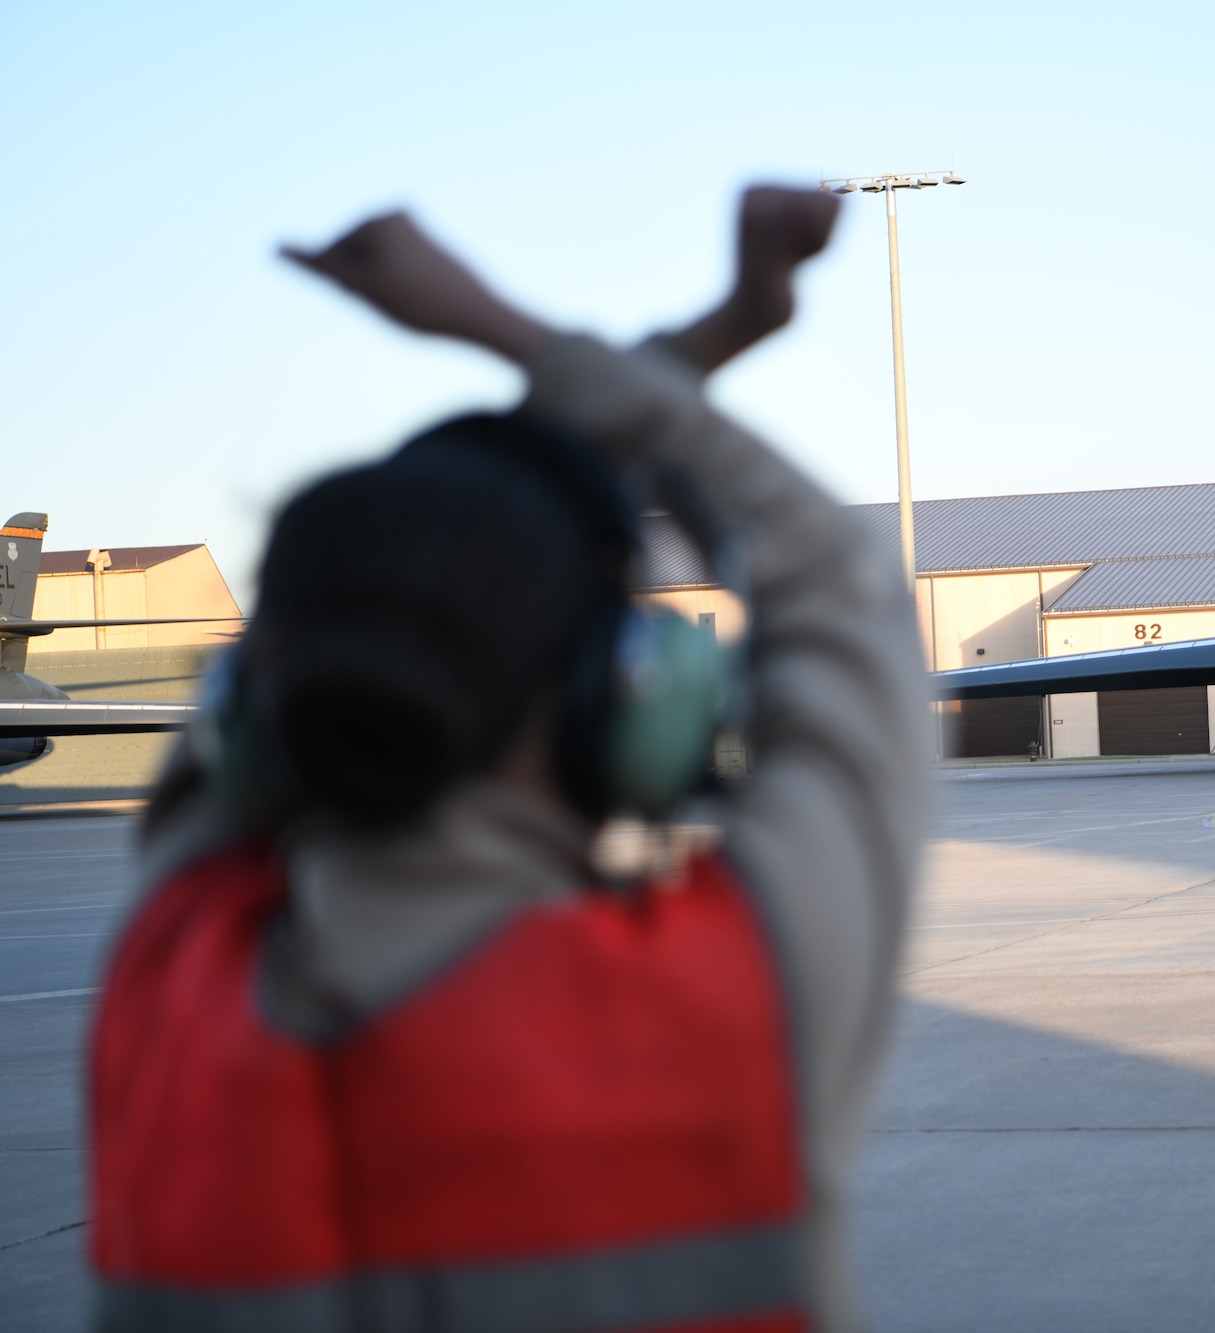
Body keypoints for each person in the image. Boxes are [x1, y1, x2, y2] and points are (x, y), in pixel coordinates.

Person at [88, 191, 929, 1333]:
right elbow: (845, 585)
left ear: (251, 711)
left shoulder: (165, 983)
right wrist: (505, 328)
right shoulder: (744, 983)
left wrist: (687, 343)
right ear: (626, 696)